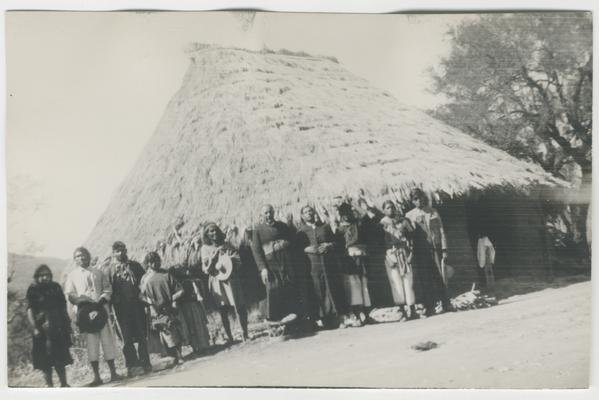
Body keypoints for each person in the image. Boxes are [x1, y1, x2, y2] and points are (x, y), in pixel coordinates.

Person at [64, 247, 123, 386]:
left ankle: (113, 373)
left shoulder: (98, 272)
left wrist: (101, 301)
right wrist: (81, 301)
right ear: (75, 259)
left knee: (107, 341)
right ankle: (97, 377)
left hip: (101, 310)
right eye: (78, 256)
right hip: (85, 314)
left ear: (89, 256)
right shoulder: (72, 276)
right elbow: (70, 294)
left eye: (84, 255)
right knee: (92, 345)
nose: (82, 258)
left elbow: (107, 289)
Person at [104, 241, 151, 376]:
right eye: (118, 251)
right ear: (113, 253)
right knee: (126, 338)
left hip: (137, 306)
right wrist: (111, 309)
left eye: (123, 250)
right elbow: (108, 289)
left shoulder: (135, 266)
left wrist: (143, 295)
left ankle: (145, 362)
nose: (121, 253)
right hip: (121, 310)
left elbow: (144, 281)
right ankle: (132, 365)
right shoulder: (109, 270)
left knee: (142, 335)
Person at [296, 205, 347, 328]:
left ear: (314, 213)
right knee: (318, 290)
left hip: (328, 263)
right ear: (302, 216)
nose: (309, 213)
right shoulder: (300, 231)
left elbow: (336, 242)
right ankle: (324, 319)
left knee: (332, 287)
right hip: (313, 265)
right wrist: (306, 248)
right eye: (306, 212)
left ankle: (338, 317)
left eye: (311, 211)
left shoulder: (324, 227)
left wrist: (329, 245)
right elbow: (297, 250)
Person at [405, 188, 452, 315]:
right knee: (425, 278)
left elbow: (441, 231)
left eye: (419, 198)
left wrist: (444, 249)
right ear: (412, 201)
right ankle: (429, 306)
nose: (418, 201)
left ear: (423, 198)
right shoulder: (409, 216)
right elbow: (408, 236)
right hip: (421, 251)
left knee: (439, 276)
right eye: (415, 199)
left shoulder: (432, 212)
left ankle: (446, 303)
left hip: (434, 248)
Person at [201, 222, 250, 342]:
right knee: (223, 308)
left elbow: (238, 260)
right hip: (217, 280)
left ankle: (245, 333)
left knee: (239, 305)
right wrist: (213, 258)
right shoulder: (205, 249)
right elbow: (206, 269)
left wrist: (229, 259)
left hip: (232, 279)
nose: (214, 233)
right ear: (207, 234)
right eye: (211, 231)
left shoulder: (226, 244)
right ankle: (230, 337)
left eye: (215, 230)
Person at [251, 204, 299, 325]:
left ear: (274, 213)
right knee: (273, 289)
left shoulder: (282, 226)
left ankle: (292, 320)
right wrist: (263, 269)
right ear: (262, 215)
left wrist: (284, 243)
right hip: (270, 264)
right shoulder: (257, 229)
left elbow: (291, 240)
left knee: (288, 287)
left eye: (270, 212)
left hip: (285, 262)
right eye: (266, 213)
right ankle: (274, 319)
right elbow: (256, 251)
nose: (269, 215)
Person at [26, 264, 73, 387]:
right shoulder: (33, 289)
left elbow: (63, 306)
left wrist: (67, 324)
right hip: (42, 330)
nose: (45, 277)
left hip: (58, 327)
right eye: (42, 275)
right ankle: (50, 387)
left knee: (60, 358)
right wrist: (35, 328)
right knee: (45, 361)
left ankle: (64, 384)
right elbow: (30, 310)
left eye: (47, 275)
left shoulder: (56, 287)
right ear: (37, 276)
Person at [139, 252, 185, 365]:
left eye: (158, 260)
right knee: (165, 331)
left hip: (170, 308)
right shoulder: (145, 279)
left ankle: (179, 355)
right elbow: (141, 295)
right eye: (154, 262)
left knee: (175, 330)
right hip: (156, 309)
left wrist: (173, 300)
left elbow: (180, 289)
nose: (157, 263)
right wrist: (150, 303)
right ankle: (173, 356)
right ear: (149, 263)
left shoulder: (166, 274)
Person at [334, 202, 372, 326]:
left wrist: (354, 204)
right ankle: (357, 311)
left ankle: (365, 312)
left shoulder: (358, 224)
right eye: (343, 213)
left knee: (363, 283)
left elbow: (366, 215)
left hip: (361, 255)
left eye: (348, 212)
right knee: (353, 284)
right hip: (349, 258)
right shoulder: (339, 229)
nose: (346, 216)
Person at [379, 200, 417, 319]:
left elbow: (411, 237)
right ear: (384, 210)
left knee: (408, 281)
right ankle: (402, 311)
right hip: (391, 254)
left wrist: (411, 252)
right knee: (396, 282)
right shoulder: (382, 224)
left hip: (404, 252)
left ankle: (412, 309)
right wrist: (387, 256)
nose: (391, 210)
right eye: (388, 208)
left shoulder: (403, 221)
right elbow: (379, 243)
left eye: (392, 207)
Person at [477, 233, 497, 299]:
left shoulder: (486, 241)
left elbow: (491, 250)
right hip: (485, 262)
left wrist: (490, 259)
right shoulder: (480, 242)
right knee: (487, 275)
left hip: (488, 262)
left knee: (490, 274)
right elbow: (479, 253)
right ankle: (490, 288)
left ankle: (492, 288)